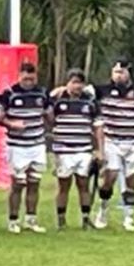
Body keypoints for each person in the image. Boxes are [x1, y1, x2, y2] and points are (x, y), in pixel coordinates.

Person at [92, 60, 134, 232]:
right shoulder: (102, 90)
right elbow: (78, 89)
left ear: (128, 73)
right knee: (110, 176)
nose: (118, 75)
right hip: (112, 140)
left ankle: (129, 216)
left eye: (122, 72)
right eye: (115, 72)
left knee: (131, 180)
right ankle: (103, 209)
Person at [0, 62, 49, 234]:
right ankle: (13, 220)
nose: (28, 81)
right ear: (19, 76)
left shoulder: (42, 93)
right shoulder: (9, 93)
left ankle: (31, 219)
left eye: (31, 78)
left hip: (37, 144)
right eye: (25, 78)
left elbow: (49, 113)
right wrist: (11, 124)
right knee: (18, 184)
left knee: (34, 183)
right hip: (17, 145)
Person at [49, 69, 100, 230]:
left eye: (79, 82)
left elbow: (97, 126)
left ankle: (85, 219)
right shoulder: (57, 100)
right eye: (73, 82)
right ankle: (61, 219)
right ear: (67, 84)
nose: (76, 86)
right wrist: (52, 94)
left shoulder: (90, 102)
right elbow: (47, 113)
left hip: (83, 148)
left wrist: (98, 149)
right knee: (64, 185)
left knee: (83, 184)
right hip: (63, 149)